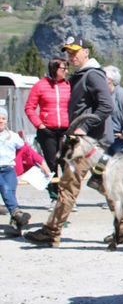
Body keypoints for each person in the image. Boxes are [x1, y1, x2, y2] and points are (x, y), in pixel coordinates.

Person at [25, 37, 123, 247]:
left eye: (74, 52)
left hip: (87, 142)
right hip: (91, 141)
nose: (71, 56)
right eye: (68, 52)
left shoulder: (93, 75)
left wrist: (84, 126)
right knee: (106, 183)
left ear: (86, 51)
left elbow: (106, 106)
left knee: (68, 185)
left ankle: (52, 230)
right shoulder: (80, 76)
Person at [25, 56, 70, 203]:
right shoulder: (40, 85)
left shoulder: (68, 85)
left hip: (65, 130)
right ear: (54, 69)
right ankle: (54, 196)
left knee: (66, 162)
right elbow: (29, 107)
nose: (66, 71)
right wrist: (40, 125)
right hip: (47, 130)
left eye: (67, 68)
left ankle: (68, 196)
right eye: (63, 68)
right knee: (51, 163)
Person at [0, 108, 44, 236]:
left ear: (6, 120)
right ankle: (17, 214)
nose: (0, 121)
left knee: (10, 194)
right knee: (6, 190)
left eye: (2, 118)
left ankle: (15, 226)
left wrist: (41, 163)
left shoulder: (12, 136)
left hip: (9, 170)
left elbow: (26, 150)